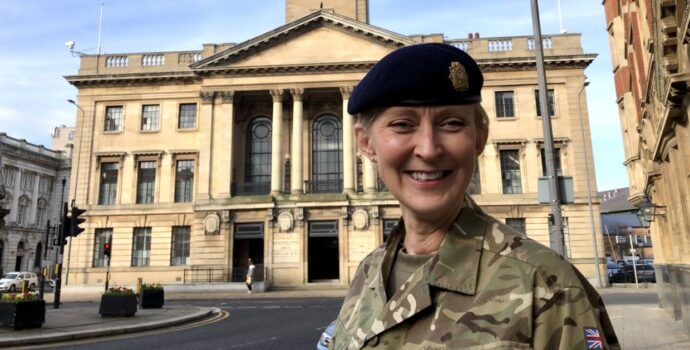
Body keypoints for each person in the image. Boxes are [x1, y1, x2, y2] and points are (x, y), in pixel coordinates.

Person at [330, 43, 619, 349]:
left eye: (451, 123)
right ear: (366, 143)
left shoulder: (548, 287)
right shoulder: (368, 272)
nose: (428, 149)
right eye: (402, 125)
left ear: (479, 138)